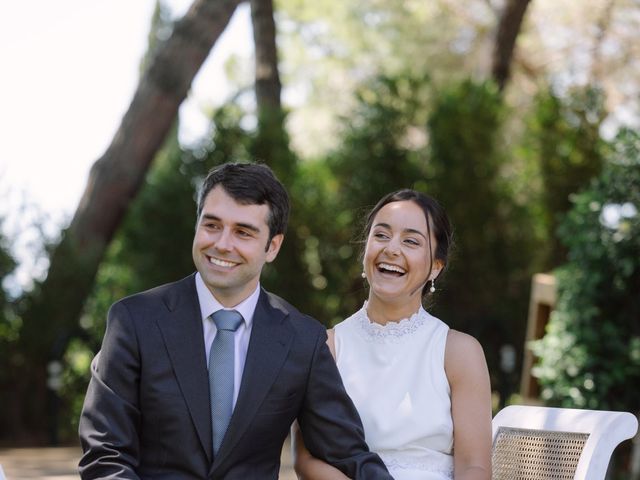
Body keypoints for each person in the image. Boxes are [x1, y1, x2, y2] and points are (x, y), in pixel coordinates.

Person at [78, 162, 392, 479]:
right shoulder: (134, 321)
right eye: (212, 225)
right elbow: (106, 456)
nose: (223, 244)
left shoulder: (303, 341)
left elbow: (347, 452)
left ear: (272, 246)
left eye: (243, 232)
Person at [293, 189, 492, 480]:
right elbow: (304, 459)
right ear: (365, 250)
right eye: (382, 235)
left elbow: (475, 466)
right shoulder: (326, 347)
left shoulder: (459, 352)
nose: (392, 249)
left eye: (411, 241)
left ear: (435, 267)